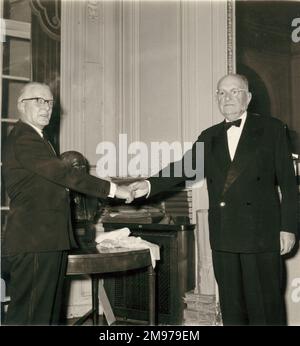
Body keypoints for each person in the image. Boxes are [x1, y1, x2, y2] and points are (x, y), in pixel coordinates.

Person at [130, 74, 298, 325]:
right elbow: (184, 167)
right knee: (232, 310)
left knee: (265, 310)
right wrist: (149, 184)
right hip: (224, 234)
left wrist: (288, 228)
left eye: (234, 91)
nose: (227, 97)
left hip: (261, 235)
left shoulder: (272, 129)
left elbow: (288, 184)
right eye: (221, 93)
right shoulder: (210, 136)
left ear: (248, 98)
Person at [1, 82, 133, 325]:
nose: (46, 107)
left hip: (46, 241)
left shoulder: (40, 139)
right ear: (21, 106)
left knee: (46, 317)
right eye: (38, 100)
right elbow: (66, 175)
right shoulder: (24, 138)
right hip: (35, 242)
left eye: (49, 102)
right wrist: (115, 189)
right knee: (31, 317)